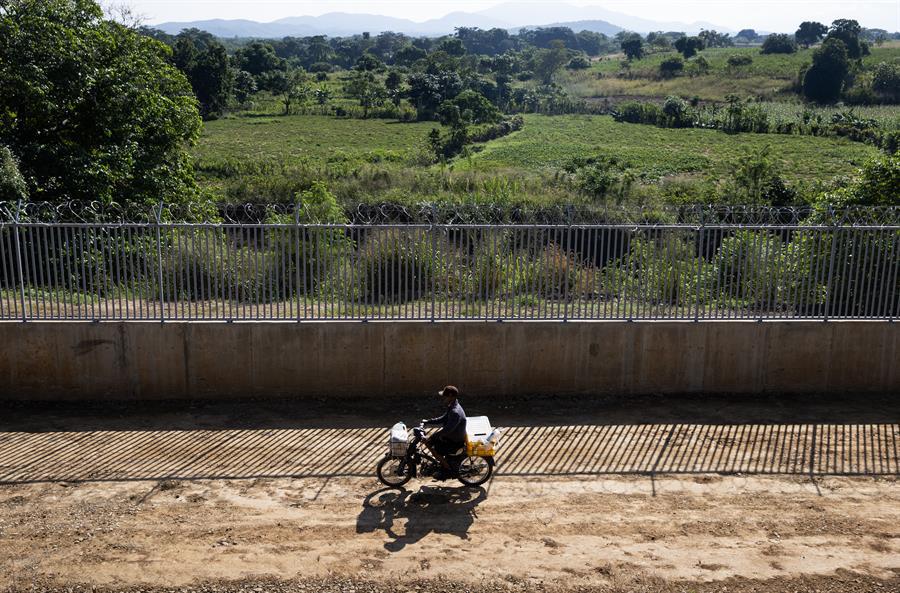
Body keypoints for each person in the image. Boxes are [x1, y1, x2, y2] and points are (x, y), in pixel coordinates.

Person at [422, 385, 467, 480]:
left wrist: (433, 436)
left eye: (444, 396)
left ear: (450, 396)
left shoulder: (455, 412)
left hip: (455, 442)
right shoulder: (453, 406)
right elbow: (443, 418)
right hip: (452, 437)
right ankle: (443, 464)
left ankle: (447, 469)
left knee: (434, 447)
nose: (443, 398)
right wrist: (428, 421)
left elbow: (447, 430)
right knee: (432, 441)